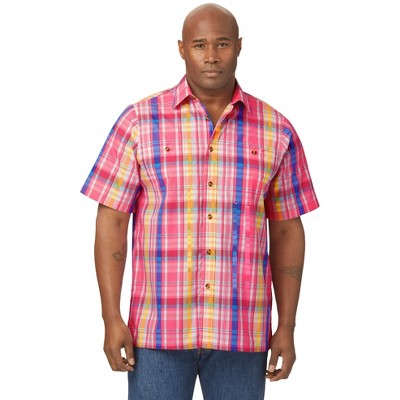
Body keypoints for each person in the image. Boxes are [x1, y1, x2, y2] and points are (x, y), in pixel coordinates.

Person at [81, 3, 319, 399]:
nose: (211, 56)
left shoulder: (277, 129)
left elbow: (287, 230)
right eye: (199, 45)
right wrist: (110, 317)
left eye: (222, 44)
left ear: (239, 46)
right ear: (182, 48)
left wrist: (287, 325)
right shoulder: (139, 122)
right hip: (157, 330)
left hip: (241, 332)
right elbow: (112, 220)